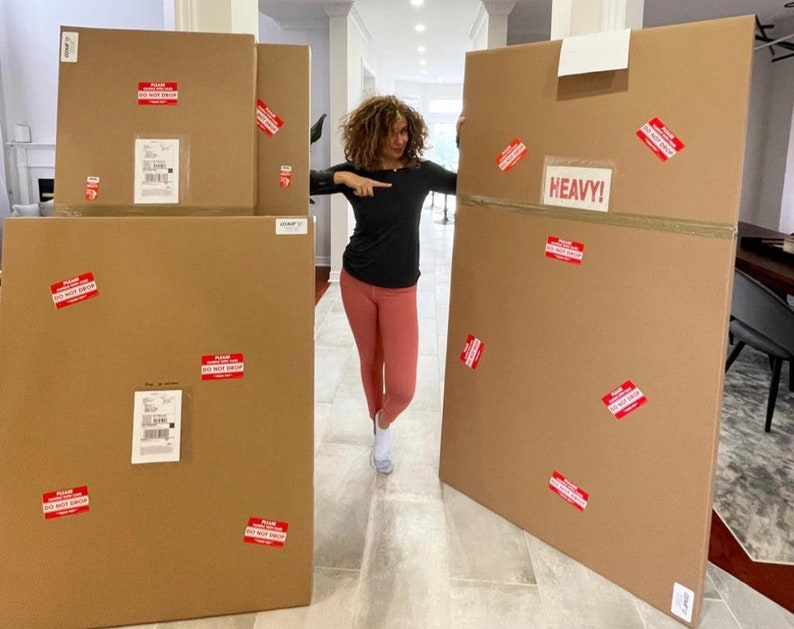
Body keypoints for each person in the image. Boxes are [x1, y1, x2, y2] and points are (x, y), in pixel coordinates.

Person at [310, 95, 462, 475]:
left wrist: (463, 141)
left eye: (404, 130)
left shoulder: (420, 172)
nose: (400, 139)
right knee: (370, 360)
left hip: (399, 289)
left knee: (403, 386)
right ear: (372, 132)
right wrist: (345, 177)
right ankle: (380, 434)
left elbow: (463, 184)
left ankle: (384, 419)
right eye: (391, 131)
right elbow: (300, 181)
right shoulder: (356, 171)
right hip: (356, 281)